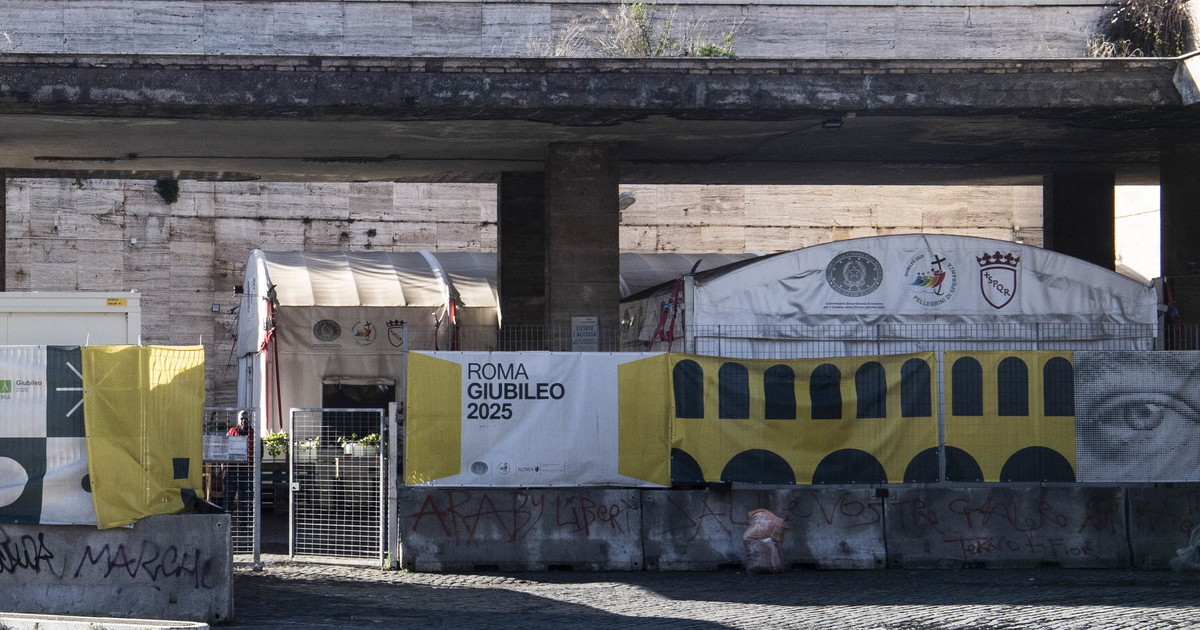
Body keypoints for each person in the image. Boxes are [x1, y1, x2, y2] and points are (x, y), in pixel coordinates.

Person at [224, 411, 255, 514]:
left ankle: (246, 523)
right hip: (232, 470)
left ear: (249, 420)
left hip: (246, 471)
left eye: (246, 418)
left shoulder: (254, 434)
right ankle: (225, 518)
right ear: (238, 419)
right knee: (228, 497)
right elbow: (225, 447)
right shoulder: (231, 432)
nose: (244, 421)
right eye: (242, 418)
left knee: (246, 498)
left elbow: (259, 452)